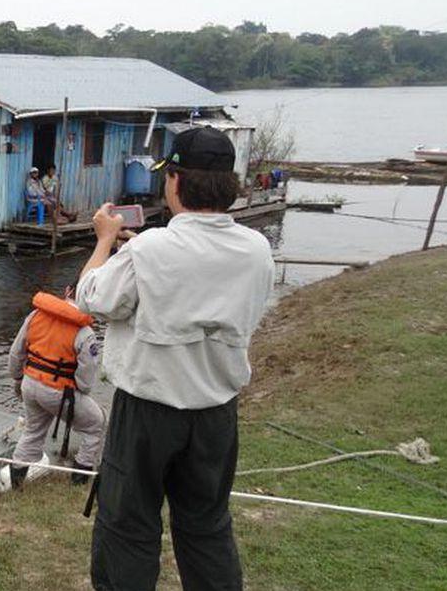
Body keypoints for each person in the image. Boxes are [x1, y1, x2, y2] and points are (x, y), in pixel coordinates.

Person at [75, 126, 275, 591]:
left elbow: (92, 297)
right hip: (215, 413)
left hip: (147, 413)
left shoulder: (151, 247)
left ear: (177, 181)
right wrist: (137, 257)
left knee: (128, 524)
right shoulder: (257, 249)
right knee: (206, 524)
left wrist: (106, 241)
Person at [0, 290, 104, 492]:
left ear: (68, 291)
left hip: (29, 384)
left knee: (33, 431)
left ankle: (16, 483)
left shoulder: (36, 315)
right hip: (59, 393)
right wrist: (74, 390)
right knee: (95, 424)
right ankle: (79, 479)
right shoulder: (85, 332)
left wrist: (18, 378)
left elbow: (16, 353)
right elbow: (86, 382)